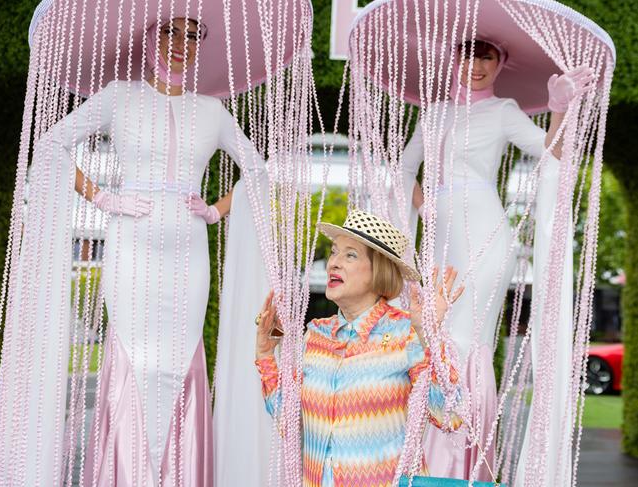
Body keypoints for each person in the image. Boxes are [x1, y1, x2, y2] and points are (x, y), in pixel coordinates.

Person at [34, 17, 265, 486]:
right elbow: (54, 143)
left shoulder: (213, 111)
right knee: (134, 358)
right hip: (131, 250)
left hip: (189, 257)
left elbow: (258, 171)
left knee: (182, 358)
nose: (181, 44)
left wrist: (217, 210)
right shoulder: (119, 96)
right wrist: (102, 197)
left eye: (193, 35)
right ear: (148, 35)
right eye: (170, 32)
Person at [398, 39, 594, 480]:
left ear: (501, 63)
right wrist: (424, 202)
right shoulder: (433, 114)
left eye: (487, 56)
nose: (477, 65)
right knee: (433, 331)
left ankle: (463, 460)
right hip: (440, 236)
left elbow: (553, 151)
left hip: (485, 232)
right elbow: (405, 168)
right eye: (468, 54)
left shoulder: (503, 110)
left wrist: (559, 107)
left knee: (465, 339)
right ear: (452, 60)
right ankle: (430, 456)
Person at [255, 209, 464, 487]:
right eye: (334, 252)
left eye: (350, 255)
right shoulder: (316, 335)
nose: (333, 264)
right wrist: (266, 356)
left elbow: (450, 415)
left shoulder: (407, 333)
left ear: (379, 271)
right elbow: (290, 423)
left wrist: (428, 336)